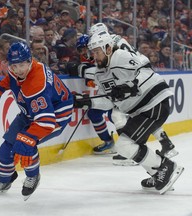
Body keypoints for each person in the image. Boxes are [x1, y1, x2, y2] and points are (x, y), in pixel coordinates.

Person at [75, 31, 184, 194]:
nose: (94, 56)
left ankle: (166, 167)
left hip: (154, 103)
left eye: (97, 51)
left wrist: (132, 86)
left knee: (124, 145)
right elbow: (109, 100)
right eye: (93, 52)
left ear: (108, 49)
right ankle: (158, 173)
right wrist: (88, 102)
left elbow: (144, 68)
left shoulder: (120, 56)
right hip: (141, 110)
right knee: (128, 146)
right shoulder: (99, 73)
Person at [0, 41, 73, 200]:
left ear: (30, 61)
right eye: (14, 66)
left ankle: (33, 176)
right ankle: (4, 180)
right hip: (30, 113)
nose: (18, 70)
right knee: (5, 149)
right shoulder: (15, 70)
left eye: (22, 65)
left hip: (55, 116)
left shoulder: (36, 84)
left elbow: (46, 122)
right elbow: (9, 80)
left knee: (26, 143)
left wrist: (28, 138)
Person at [82, 23, 178, 165]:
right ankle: (165, 143)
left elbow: (119, 65)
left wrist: (82, 70)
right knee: (142, 114)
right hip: (132, 75)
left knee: (121, 114)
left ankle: (129, 151)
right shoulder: (116, 41)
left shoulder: (111, 47)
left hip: (130, 77)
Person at [75, 34, 115, 154]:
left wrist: (84, 71)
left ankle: (130, 143)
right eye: (80, 50)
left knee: (115, 117)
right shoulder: (92, 59)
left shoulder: (107, 57)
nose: (82, 52)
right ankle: (108, 141)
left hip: (117, 94)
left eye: (84, 49)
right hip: (105, 94)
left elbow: (91, 72)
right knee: (94, 113)